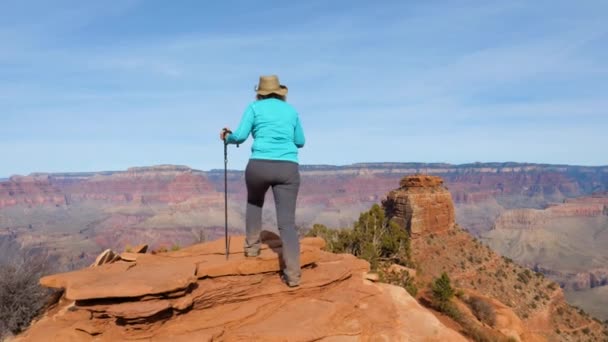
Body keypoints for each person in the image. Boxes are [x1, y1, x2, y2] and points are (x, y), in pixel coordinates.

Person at [220, 75, 305, 287]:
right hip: (287, 167)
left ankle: (252, 249)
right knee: (286, 223)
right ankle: (293, 276)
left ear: (260, 92)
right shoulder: (292, 111)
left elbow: (239, 136)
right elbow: (300, 141)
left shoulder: (254, 108)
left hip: (258, 166)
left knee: (254, 203)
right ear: (280, 92)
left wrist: (226, 137)